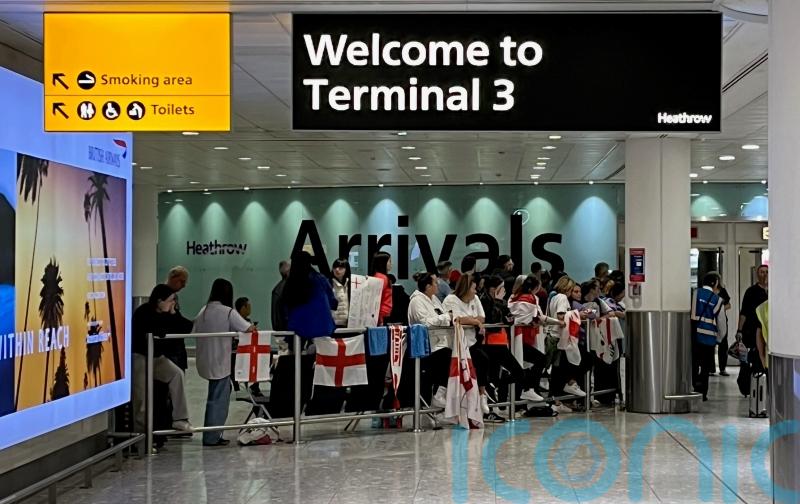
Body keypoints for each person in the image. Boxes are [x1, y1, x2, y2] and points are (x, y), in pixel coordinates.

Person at [193, 278, 255, 446]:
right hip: (220, 361)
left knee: (215, 396)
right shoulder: (228, 312)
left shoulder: (203, 310)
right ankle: (212, 436)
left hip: (205, 360)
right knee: (218, 400)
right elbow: (248, 328)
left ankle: (211, 434)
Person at [132, 284, 193, 435]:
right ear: (159, 301)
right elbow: (156, 331)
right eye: (170, 300)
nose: (173, 303)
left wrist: (174, 313)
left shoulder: (168, 314)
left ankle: (180, 418)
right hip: (140, 356)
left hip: (157, 357)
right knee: (142, 398)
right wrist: (167, 323)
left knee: (176, 374)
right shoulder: (144, 312)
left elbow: (186, 327)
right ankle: (142, 435)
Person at [506, 276, 564, 404]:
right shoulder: (530, 298)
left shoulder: (514, 297)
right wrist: (557, 322)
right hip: (523, 337)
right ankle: (528, 388)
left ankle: (526, 392)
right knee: (540, 359)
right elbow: (538, 317)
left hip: (515, 337)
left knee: (522, 367)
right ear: (536, 287)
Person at [443, 274, 491, 417]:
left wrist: (471, 320)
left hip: (472, 341)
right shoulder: (451, 300)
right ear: (466, 288)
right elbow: (457, 319)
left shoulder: (475, 299)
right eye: (474, 288)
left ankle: (482, 396)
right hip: (457, 345)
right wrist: (474, 322)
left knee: (484, 360)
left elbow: (482, 317)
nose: (476, 292)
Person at [407, 272, 455, 408]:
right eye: (435, 282)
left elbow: (443, 315)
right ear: (428, 286)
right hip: (425, 347)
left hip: (440, 343)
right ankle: (439, 394)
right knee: (447, 357)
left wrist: (449, 317)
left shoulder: (434, 299)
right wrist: (446, 317)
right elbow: (425, 322)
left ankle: (441, 394)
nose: (438, 284)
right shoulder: (416, 301)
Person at [547, 276, 586, 412]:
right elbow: (561, 316)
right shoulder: (562, 298)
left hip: (553, 335)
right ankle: (560, 394)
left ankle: (557, 399)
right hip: (559, 337)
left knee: (557, 370)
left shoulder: (554, 297)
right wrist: (577, 314)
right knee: (560, 369)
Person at [284, 251, 337, 339]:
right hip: (324, 327)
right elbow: (333, 303)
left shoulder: (291, 283)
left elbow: (285, 308)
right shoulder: (321, 279)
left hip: (299, 329)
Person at [691, 272, 723, 402]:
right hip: (709, 339)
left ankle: (694, 387)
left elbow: (692, 315)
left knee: (694, 363)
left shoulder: (695, 293)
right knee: (705, 367)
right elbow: (721, 323)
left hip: (695, 336)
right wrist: (719, 338)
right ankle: (703, 393)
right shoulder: (718, 300)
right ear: (715, 283)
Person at [736, 265, 768, 395]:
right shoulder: (751, 292)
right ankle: (747, 387)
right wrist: (739, 330)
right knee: (749, 360)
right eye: (762, 272)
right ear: (757, 274)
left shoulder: (772, 291)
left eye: (766, 272)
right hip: (751, 331)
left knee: (761, 361)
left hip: (766, 332)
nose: (764, 274)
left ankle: (760, 386)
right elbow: (743, 312)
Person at [163, 265, 192, 370]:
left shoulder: (173, 296)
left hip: (176, 349)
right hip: (171, 350)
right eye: (182, 281)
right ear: (173, 278)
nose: (184, 285)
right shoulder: (165, 297)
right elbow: (173, 321)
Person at [715, 283, 732, 377]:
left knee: (723, 344)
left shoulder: (722, 291)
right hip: (710, 321)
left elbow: (729, 305)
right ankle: (711, 368)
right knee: (710, 345)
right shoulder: (707, 292)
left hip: (721, 320)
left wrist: (719, 309)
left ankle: (722, 368)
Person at [371, 252, 394, 325]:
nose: (391, 264)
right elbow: (376, 299)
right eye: (389, 261)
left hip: (382, 315)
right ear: (383, 263)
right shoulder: (382, 278)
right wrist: (380, 319)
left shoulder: (380, 276)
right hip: (382, 316)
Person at [330, 258, 351, 328]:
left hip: (349, 323)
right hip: (333, 323)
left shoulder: (351, 283)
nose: (337, 269)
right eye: (335, 267)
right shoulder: (328, 284)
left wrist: (365, 280)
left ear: (346, 269)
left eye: (341, 267)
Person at [271, 260, 290, 331]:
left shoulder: (276, 290)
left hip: (280, 330)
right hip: (288, 330)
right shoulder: (291, 289)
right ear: (288, 272)